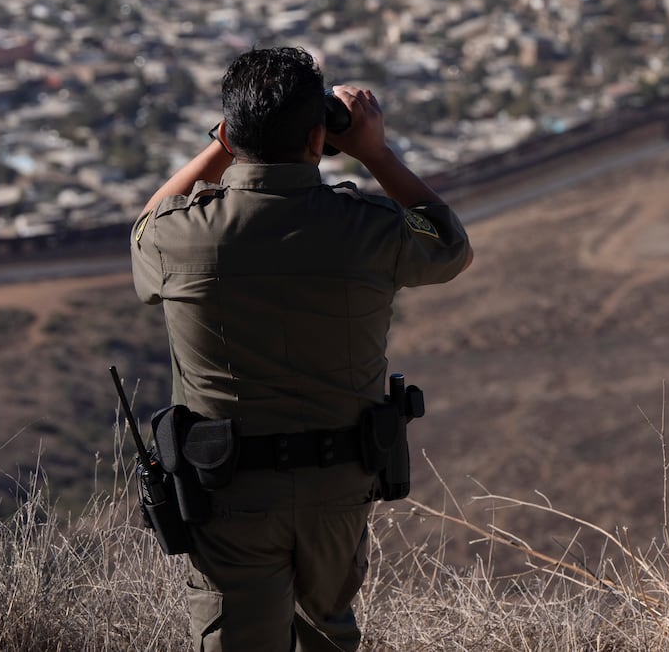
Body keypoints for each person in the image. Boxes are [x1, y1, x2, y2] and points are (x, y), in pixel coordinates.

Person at [130, 46, 473, 651]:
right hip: (338, 483)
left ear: (233, 133)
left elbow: (146, 223)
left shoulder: (179, 238)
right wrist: (374, 152)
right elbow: (448, 245)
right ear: (319, 139)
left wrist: (224, 143)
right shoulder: (369, 228)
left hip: (229, 490)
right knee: (328, 636)